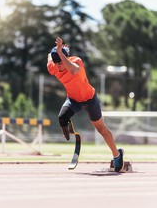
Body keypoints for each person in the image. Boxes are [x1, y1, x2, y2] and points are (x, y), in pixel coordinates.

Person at [47, 37, 124, 172]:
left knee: (101, 129)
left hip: (89, 99)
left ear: (67, 58)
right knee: (62, 118)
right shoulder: (52, 67)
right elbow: (49, 57)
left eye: (60, 61)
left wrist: (60, 53)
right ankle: (69, 125)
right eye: (56, 62)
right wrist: (56, 51)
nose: (58, 65)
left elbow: (73, 71)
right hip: (73, 100)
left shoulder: (76, 62)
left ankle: (117, 155)